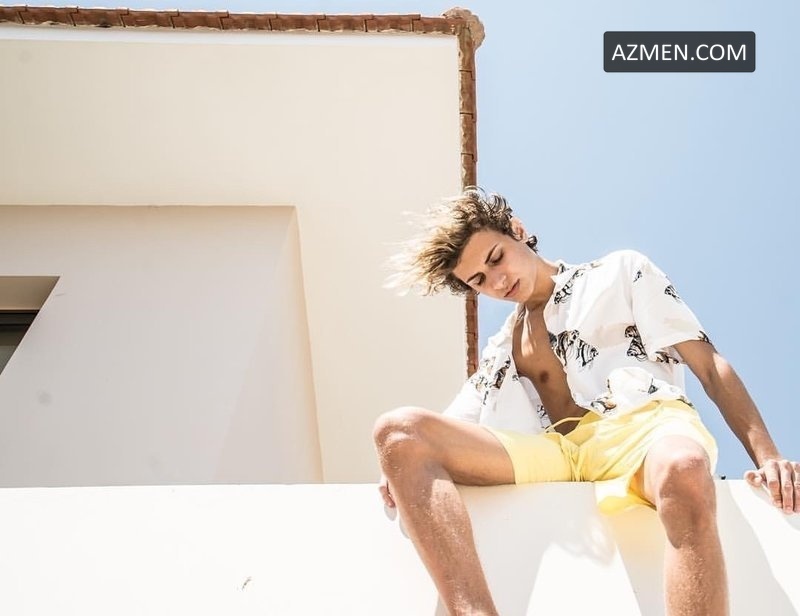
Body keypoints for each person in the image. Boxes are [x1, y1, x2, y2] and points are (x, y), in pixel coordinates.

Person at [373, 188, 799, 616]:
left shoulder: (620, 272)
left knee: (683, 467)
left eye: (496, 258)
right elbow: (445, 426)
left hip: (639, 428)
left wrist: (768, 456)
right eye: (479, 281)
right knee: (398, 433)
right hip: (557, 451)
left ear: (517, 231)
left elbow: (708, 365)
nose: (497, 281)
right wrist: (402, 463)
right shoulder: (500, 350)